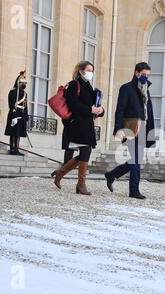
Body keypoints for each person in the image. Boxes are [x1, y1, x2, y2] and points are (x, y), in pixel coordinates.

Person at [104, 62, 156, 200]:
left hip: (144, 127)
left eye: (148, 75)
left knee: (135, 160)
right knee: (137, 160)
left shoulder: (146, 89)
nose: (146, 77)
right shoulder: (126, 88)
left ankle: (111, 175)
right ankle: (134, 190)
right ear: (136, 73)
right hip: (131, 127)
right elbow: (120, 110)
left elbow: (148, 111)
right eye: (143, 74)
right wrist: (118, 129)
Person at [53, 61, 104, 195]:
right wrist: (90, 109)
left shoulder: (89, 86)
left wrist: (100, 110)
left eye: (92, 70)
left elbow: (94, 105)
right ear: (81, 71)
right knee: (86, 151)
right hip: (77, 124)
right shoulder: (74, 84)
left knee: (84, 153)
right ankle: (81, 184)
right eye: (88, 70)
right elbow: (73, 105)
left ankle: (61, 173)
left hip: (87, 124)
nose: (90, 73)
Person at [5, 71, 29, 156]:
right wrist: (14, 115)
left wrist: (26, 117)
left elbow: (25, 106)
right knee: (13, 132)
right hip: (14, 113)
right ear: (18, 83)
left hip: (21, 114)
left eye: (25, 83)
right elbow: (11, 104)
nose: (24, 85)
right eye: (22, 83)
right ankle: (12, 148)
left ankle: (17, 148)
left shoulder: (25, 94)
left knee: (18, 133)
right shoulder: (13, 92)